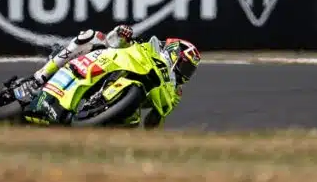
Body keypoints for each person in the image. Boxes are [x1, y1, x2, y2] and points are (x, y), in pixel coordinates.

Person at [13, 24, 202, 128]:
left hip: (127, 100)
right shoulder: (148, 49)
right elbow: (114, 42)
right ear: (174, 52)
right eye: (185, 66)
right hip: (105, 64)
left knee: (132, 122)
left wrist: (155, 125)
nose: (186, 73)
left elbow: (155, 121)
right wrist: (121, 33)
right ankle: (39, 77)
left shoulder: (175, 93)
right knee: (91, 36)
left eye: (190, 70)